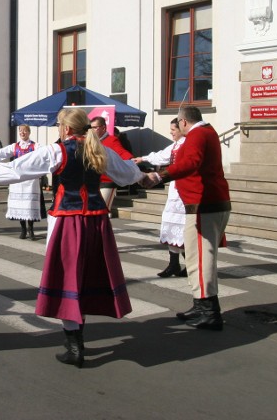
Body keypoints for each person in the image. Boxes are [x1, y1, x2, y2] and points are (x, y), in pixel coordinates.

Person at [0, 108, 148, 368]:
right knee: (87, 276)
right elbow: (129, 173)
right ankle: (76, 341)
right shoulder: (100, 150)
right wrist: (145, 177)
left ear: (65, 129)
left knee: (68, 279)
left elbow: (18, 169)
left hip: (69, 220)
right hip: (96, 222)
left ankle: (75, 346)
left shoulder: (58, 151)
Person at [146, 106, 232, 331]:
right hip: (205, 203)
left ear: (183, 122)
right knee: (195, 258)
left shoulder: (197, 135)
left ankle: (209, 313)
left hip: (204, 204)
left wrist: (160, 175)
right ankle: (201, 303)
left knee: (201, 259)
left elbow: (190, 163)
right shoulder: (206, 133)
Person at [132, 118, 187, 278]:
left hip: (184, 189)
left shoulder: (186, 143)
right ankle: (174, 263)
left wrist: (145, 160)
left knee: (181, 230)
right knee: (170, 226)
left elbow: (166, 158)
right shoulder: (177, 144)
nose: (171, 132)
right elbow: (162, 155)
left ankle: (190, 265)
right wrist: (143, 159)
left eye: (173, 130)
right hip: (175, 188)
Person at [0, 124, 42, 240]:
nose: (22, 133)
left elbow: (44, 153)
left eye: (25, 131)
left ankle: (31, 230)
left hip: (30, 180)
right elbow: (0, 152)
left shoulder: (35, 146)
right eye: (21, 131)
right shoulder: (15, 146)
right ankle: (23, 230)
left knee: (30, 205)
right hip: (17, 179)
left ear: (29, 132)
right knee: (20, 205)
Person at [88, 116, 133, 212]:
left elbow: (123, 153)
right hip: (93, 181)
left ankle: (104, 226)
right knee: (93, 211)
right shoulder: (90, 142)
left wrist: (131, 161)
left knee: (102, 210)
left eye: (95, 127)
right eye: (91, 128)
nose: (92, 130)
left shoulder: (111, 140)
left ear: (103, 128)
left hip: (107, 181)